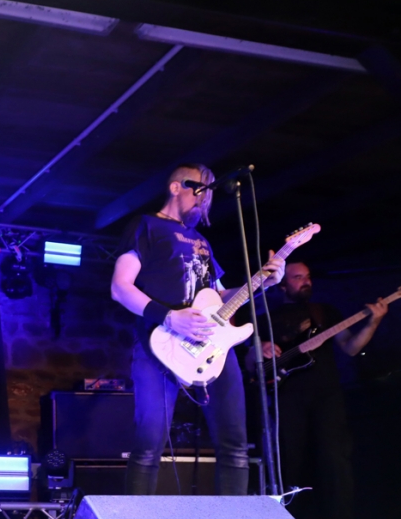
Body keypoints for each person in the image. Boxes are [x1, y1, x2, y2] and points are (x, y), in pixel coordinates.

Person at [110, 163, 285, 495]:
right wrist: (169, 317)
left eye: (210, 195)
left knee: (235, 445)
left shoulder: (202, 241)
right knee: (148, 445)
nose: (205, 200)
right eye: (201, 190)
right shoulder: (145, 226)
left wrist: (263, 282)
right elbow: (120, 287)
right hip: (158, 344)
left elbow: (220, 296)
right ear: (176, 187)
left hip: (211, 345)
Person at [259, 261, 389, 519]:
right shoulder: (266, 318)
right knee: (290, 460)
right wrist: (261, 348)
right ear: (282, 284)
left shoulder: (325, 312)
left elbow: (350, 348)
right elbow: (251, 362)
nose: (306, 281)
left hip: (327, 394)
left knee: (335, 458)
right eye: (298, 277)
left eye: (307, 276)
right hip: (287, 395)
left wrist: (374, 320)